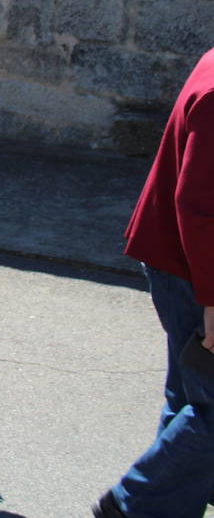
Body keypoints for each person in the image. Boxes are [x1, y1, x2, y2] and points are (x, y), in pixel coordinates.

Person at [92, 47, 214, 518]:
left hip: (179, 258)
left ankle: (171, 499)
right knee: (208, 403)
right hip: (191, 266)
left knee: (189, 395)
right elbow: (199, 205)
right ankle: (135, 504)